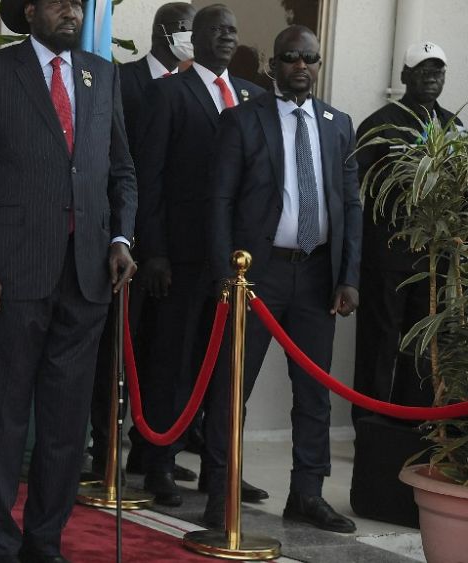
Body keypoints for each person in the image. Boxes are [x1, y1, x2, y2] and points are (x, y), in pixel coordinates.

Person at [0, 0, 137, 560]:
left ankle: (44, 544)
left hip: (86, 278)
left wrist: (122, 239)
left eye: (75, 4)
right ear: (28, 11)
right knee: (3, 421)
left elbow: (121, 170)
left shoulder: (100, 73)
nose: (70, 12)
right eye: (56, 3)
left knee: (64, 427)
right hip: (11, 276)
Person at [205, 24, 361, 533]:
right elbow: (220, 203)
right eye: (290, 57)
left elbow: (351, 206)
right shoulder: (242, 121)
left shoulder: (339, 124)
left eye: (310, 59)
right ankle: (220, 495)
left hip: (317, 274)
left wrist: (348, 276)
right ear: (274, 65)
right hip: (257, 274)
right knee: (234, 387)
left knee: (314, 392)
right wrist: (225, 274)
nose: (301, 66)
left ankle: (307, 494)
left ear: (319, 65)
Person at [133, 3, 267, 507]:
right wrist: (156, 253)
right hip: (182, 257)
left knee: (228, 370)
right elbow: (151, 178)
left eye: (233, 30)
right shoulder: (167, 92)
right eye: (217, 30)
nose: (228, 37)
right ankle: (158, 465)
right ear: (196, 38)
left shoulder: (256, 97)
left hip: (240, 262)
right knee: (173, 361)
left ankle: (221, 469)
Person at [87, 0, 197, 487]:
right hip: (125, 248)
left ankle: (153, 457)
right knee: (115, 355)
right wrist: (136, 242)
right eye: (188, 29)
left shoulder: (197, 87)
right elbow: (124, 167)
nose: (192, 37)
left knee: (162, 359)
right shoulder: (123, 79)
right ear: (166, 31)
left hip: (176, 252)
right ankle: (103, 453)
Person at [352, 41, 460, 424]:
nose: (431, 77)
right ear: (404, 76)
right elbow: (355, 186)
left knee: (422, 344)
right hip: (388, 253)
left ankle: (409, 423)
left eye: (438, 70)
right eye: (423, 70)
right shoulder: (380, 123)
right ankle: (370, 425)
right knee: (379, 343)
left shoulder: (452, 124)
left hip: (433, 258)